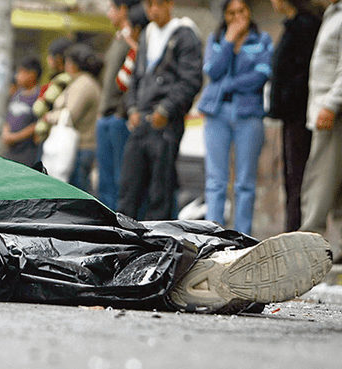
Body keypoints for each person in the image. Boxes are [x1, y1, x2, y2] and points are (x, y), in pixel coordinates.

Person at [117, 0, 203, 221]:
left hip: (165, 124)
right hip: (141, 122)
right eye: (149, 4)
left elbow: (191, 80)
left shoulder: (184, 34)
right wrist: (132, 108)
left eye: (158, 4)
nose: (153, 9)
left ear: (170, 4)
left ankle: (157, 246)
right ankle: (126, 243)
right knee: (128, 189)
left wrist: (166, 109)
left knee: (160, 192)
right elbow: (136, 78)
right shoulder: (147, 34)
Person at [197, 0, 273, 235]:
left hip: (248, 114)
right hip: (217, 112)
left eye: (242, 11)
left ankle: (242, 235)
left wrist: (229, 83)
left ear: (250, 12)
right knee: (216, 181)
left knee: (245, 183)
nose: (237, 16)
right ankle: (213, 235)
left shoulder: (262, 40)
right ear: (225, 16)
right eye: (231, 13)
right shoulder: (217, 39)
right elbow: (212, 71)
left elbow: (261, 76)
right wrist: (230, 39)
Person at [299, 0, 342, 264]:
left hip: (335, 112)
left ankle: (307, 245)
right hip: (325, 109)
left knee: (319, 179)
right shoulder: (333, 12)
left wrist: (332, 104)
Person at [269, 0, 322, 233]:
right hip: (291, 114)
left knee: (299, 176)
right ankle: (293, 230)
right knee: (292, 177)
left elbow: (305, 69)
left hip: (301, 114)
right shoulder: (293, 24)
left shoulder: (305, 25)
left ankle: (297, 232)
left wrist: (288, 97)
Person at [95, 0, 140, 211]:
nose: (109, 14)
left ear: (123, 10)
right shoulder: (118, 39)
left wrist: (121, 112)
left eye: (112, 8)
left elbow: (130, 82)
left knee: (121, 179)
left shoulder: (135, 38)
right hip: (106, 116)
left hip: (118, 118)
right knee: (105, 181)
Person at [41, 44, 103, 191]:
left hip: (80, 147)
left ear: (74, 64)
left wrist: (49, 117)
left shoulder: (84, 84)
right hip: (76, 147)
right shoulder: (79, 82)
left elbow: (70, 114)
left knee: (76, 192)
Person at [2, 57, 42, 166]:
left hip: (27, 154)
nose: (17, 76)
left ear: (32, 74)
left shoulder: (40, 96)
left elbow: (37, 124)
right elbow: (8, 119)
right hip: (10, 153)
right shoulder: (16, 95)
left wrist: (15, 137)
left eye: (21, 72)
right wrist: (6, 133)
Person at [33, 37, 74, 143]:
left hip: (54, 137)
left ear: (59, 59)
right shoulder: (69, 79)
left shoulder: (61, 81)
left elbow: (39, 109)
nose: (48, 60)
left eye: (51, 56)